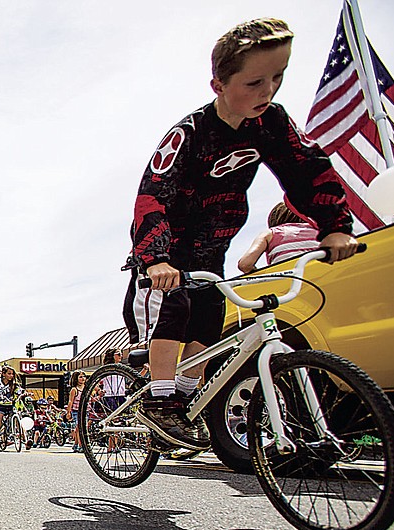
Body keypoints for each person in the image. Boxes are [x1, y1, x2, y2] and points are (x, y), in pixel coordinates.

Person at [124, 17, 358, 448]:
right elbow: (152, 194)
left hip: (214, 244)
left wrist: (334, 227)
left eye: (277, 78)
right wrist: (155, 258)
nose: (267, 92)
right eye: (253, 83)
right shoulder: (189, 134)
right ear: (218, 85)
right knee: (173, 312)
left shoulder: (272, 124)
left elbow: (307, 170)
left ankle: (188, 401)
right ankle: (159, 400)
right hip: (170, 248)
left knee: (209, 322)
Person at [237, 201, 320, 273]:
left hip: (287, 280)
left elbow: (245, 264)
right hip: (323, 275)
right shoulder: (320, 231)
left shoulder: (270, 233)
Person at [67, 371, 87, 453]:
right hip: (76, 410)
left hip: (85, 410)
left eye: (84, 376)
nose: (83, 378)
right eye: (80, 377)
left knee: (82, 428)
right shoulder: (74, 389)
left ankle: (76, 444)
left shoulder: (86, 388)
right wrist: (68, 412)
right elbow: (70, 401)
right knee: (79, 428)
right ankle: (80, 445)